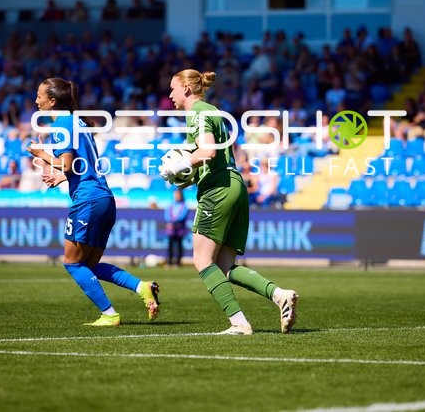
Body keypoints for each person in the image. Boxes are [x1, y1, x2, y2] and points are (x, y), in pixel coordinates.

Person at [160, 69, 298, 335]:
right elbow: (213, 157)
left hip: (219, 189)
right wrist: (183, 174)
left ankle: (239, 323)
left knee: (202, 260)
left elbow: (208, 151)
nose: (170, 95)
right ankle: (280, 295)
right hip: (235, 185)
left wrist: (181, 162)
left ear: (187, 89)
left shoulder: (198, 113)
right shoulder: (210, 112)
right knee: (224, 267)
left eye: (173, 89)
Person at [27, 77, 160, 327]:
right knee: (89, 264)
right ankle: (142, 287)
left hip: (88, 200)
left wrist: (40, 154)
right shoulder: (77, 123)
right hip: (104, 198)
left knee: (71, 263)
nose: (36, 100)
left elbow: (67, 163)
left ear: (52, 101)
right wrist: (61, 176)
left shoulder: (63, 125)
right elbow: (79, 166)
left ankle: (110, 314)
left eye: (39, 95)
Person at [164, 189, 188, 267]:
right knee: (170, 245)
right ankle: (169, 262)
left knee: (179, 245)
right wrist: (170, 222)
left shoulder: (183, 206)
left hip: (179, 229)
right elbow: (167, 215)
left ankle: (178, 262)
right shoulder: (171, 205)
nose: (176, 196)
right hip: (171, 229)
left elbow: (182, 216)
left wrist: (174, 223)